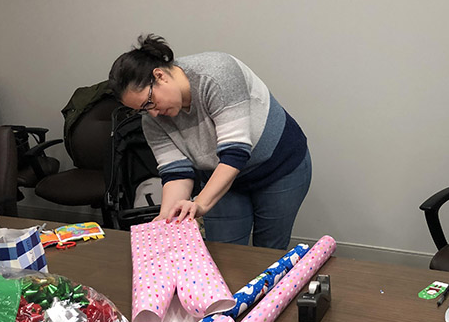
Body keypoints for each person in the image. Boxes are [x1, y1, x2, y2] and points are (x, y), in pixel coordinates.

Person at [109, 34, 311, 249]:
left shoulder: (216, 74)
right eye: (142, 109)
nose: (153, 113)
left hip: (278, 168)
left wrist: (200, 203)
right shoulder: (152, 120)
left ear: (160, 76)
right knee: (224, 250)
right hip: (220, 175)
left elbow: (235, 152)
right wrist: (166, 217)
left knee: (268, 250)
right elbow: (176, 172)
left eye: (149, 102)